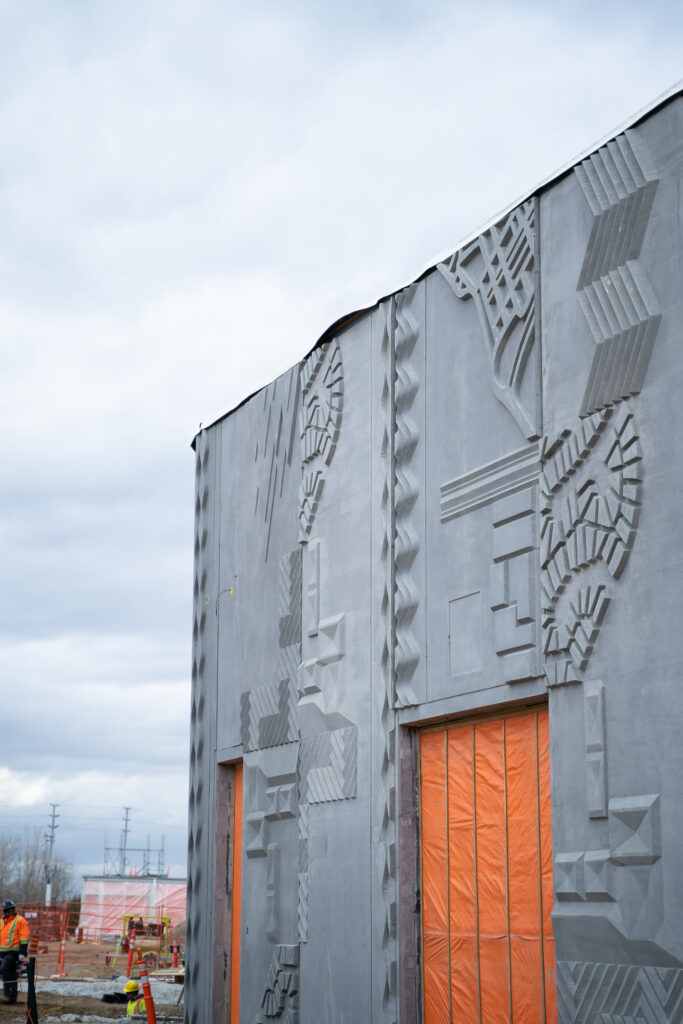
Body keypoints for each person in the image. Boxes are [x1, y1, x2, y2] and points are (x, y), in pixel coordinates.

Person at [0, 899, 29, 1004]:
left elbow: (24, 937)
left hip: (14, 953)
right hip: (4, 953)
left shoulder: (20, 920)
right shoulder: (2, 922)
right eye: (8, 910)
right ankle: (12, 998)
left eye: (12, 909)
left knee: (4, 969)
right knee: (11, 974)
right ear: (5, 911)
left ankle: (7, 994)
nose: (10, 912)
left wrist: (22, 952)